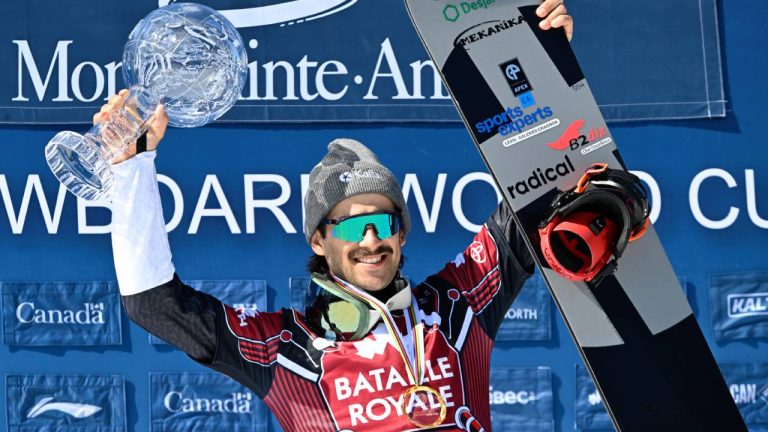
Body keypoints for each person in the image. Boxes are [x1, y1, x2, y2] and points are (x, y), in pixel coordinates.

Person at [102, 2, 573, 430]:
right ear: (318, 241)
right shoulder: (285, 350)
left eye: (385, 221)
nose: (371, 239)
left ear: (403, 234)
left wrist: (535, 71)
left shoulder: (457, 306)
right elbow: (155, 305)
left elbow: (534, 194)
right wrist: (133, 169)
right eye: (349, 225)